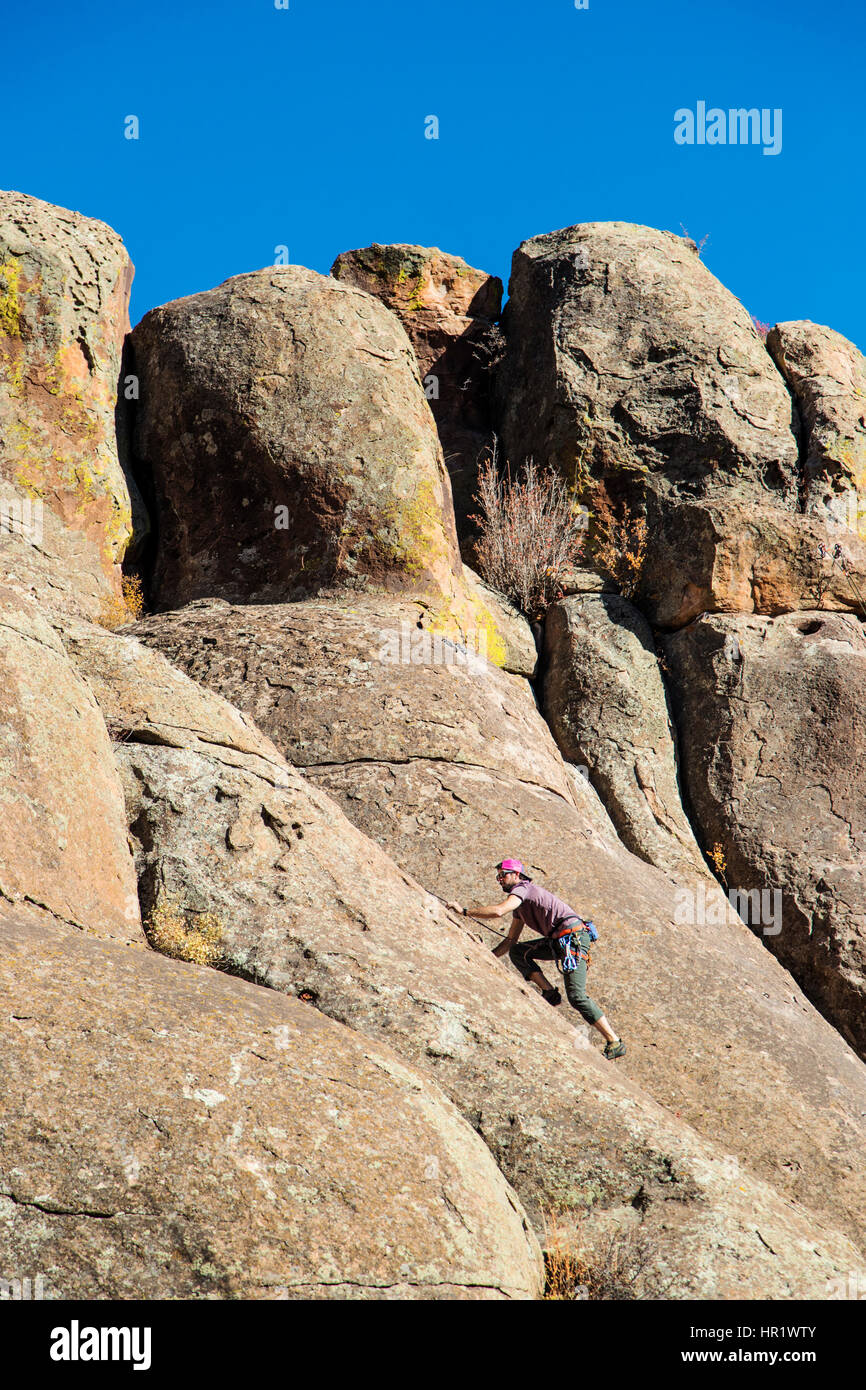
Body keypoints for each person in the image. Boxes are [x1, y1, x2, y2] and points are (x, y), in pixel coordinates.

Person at [448, 857, 626, 1060]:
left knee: (576, 996)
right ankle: (549, 992)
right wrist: (486, 957)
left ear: (516, 874)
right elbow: (510, 942)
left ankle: (614, 1041)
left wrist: (464, 911)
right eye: (498, 876)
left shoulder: (524, 888)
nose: (499, 879)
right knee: (518, 951)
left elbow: (498, 911)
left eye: (503, 875)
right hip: (559, 940)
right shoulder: (520, 907)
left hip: (572, 939)